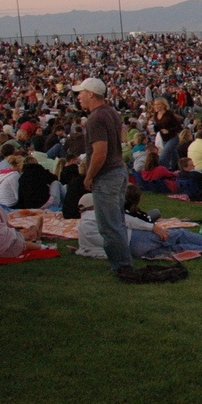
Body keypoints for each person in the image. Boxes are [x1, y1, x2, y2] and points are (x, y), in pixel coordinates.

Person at [74, 77, 135, 276]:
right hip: (118, 170)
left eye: (81, 93)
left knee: (109, 226)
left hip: (107, 175)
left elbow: (100, 151)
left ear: (90, 94)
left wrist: (89, 176)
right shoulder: (110, 112)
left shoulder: (95, 118)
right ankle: (124, 262)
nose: (79, 97)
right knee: (117, 222)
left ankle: (122, 267)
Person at [77, 192, 202, 259]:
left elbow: (87, 250)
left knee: (174, 249)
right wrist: (153, 227)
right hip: (135, 238)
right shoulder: (97, 215)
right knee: (178, 235)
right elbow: (127, 220)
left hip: (130, 251)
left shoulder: (82, 230)